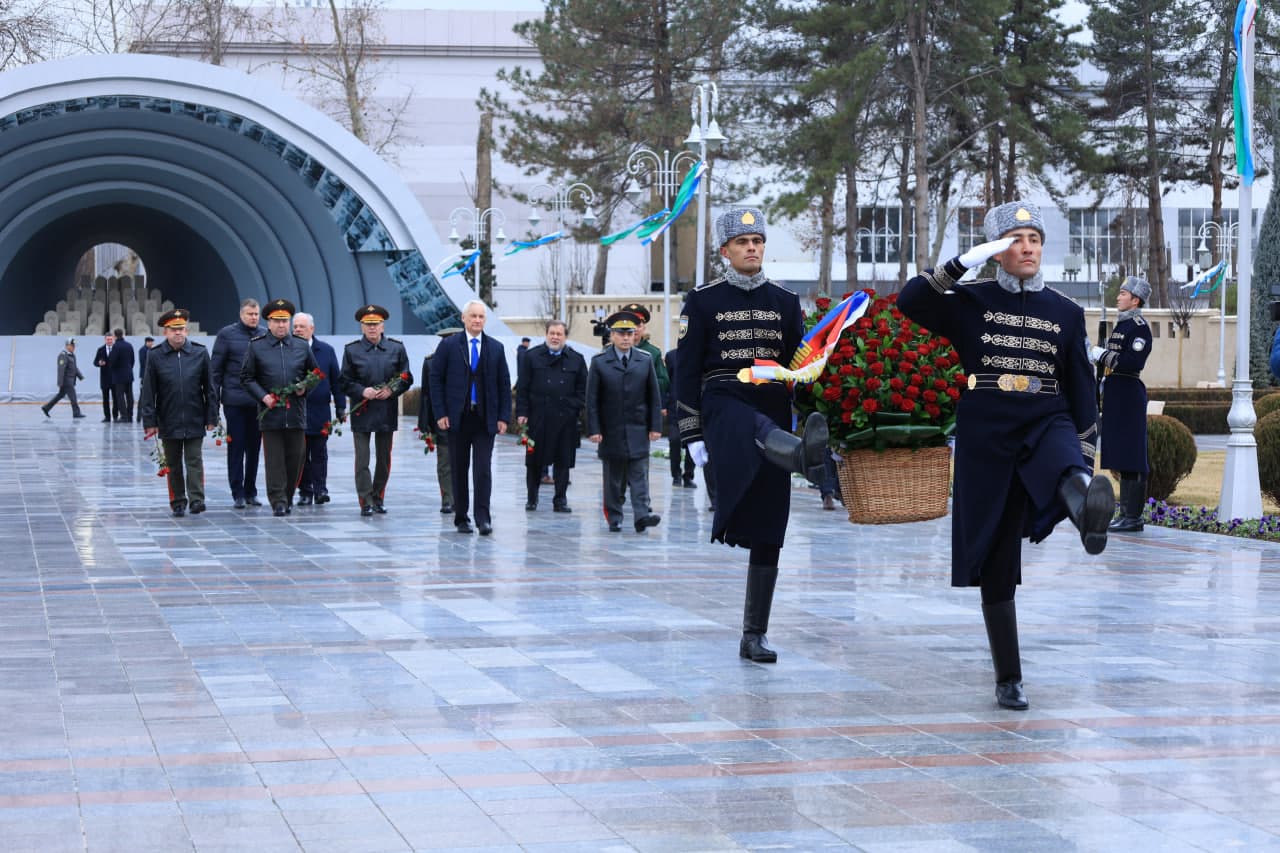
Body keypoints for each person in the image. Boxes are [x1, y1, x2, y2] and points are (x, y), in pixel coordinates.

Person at [898, 200, 1115, 711]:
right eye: (1016, 240)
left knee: (1064, 462)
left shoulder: (1064, 310)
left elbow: (1081, 386)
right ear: (998, 251)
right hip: (988, 426)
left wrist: (1087, 454)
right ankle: (1008, 677)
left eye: (1034, 239)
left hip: (1046, 412)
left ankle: (1087, 510)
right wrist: (961, 264)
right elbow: (910, 302)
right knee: (996, 555)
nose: (1028, 248)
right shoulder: (969, 299)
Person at [676, 207, 828, 664]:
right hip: (724, 401)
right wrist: (691, 431)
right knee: (750, 424)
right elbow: (685, 371)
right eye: (742, 243)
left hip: (773, 404)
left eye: (758, 241)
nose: (752, 248)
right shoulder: (702, 302)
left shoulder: (784, 301)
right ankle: (802, 456)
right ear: (725, 251)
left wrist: (816, 401)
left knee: (770, 529)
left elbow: (799, 366)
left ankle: (753, 634)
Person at [428, 299, 510, 535]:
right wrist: (441, 413)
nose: (477, 320)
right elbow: (436, 380)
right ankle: (461, 517)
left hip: (485, 419)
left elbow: (504, 384)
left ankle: (483, 518)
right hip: (458, 418)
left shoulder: (496, 348)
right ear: (463, 318)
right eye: (473, 316)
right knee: (459, 468)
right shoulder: (449, 346)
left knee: (483, 469)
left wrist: (504, 416)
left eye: (481, 316)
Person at [587, 311, 663, 533]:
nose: (626, 338)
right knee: (613, 479)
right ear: (612, 335)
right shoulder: (600, 362)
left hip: (638, 429)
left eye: (629, 333)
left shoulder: (644, 360)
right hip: (610, 431)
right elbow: (592, 400)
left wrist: (655, 426)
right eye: (621, 333)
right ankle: (615, 517)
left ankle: (642, 515)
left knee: (639, 477)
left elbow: (653, 397)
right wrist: (594, 429)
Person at [241, 299, 318, 517]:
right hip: (271, 414)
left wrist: (305, 387)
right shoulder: (257, 346)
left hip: (296, 413)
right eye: (277, 321)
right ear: (269, 322)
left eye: (285, 321)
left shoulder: (302, 346)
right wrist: (263, 396)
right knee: (275, 460)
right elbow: (246, 378)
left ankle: (288, 495)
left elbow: (315, 374)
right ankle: (278, 501)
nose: (282, 325)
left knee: (295, 458)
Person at [140, 310, 217, 517]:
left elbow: (209, 387)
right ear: (165, 332)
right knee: (173, 463)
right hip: (168, 418)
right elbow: (148, 391)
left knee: (194, 460)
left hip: (194, 416)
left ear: (187, 330)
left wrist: (212, 417)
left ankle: (197, 500)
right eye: (174, 330)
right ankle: (178, 501)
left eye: (181, 329)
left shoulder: (200, 353)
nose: (178, 334)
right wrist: (150, 421)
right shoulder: (155, 355)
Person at [1092, 277, 1154, 532]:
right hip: (1118, 392)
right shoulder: (1122, 325)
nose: (1118, 297)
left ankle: (1134, 516)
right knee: (1123, 456)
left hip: (1128, 393)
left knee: (1133, 456)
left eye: (1123, 293)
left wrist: (1102, 354)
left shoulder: (1139, 327)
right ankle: (1126, 512)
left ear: (1135, 300)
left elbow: (1131, 362)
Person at [339, 304, 412, 517]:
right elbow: (344, 381)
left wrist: (392, 389)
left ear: (383, 326)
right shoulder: (351, 350)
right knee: (362, 459)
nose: (372, 328)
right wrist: (363, 391)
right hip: (363, 410)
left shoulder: (396, 348)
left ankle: (378, 496)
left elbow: (406, 377)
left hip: (385, 410)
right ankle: (365, 500)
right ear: (362, 327)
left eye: (376, 324)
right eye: (367, 325)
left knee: (383, 458)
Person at [516, 320, 588, 512]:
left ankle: (560, 499)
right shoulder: (531, 357)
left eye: (559, 334)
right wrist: (522, 413)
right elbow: (522, 388)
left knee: (563, 461)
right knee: (533, 461)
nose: (555, 337)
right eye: (552, 333)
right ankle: (532, 498)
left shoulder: (576, 359)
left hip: (565, 419)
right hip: (538, 417)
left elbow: (583, 391)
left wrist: (572, 408)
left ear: (565, 336)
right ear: (546, 335)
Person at [211, 299, 266, 508]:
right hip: (234, 401)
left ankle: (251, 491)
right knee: (236, 447)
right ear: (241, 314)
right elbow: (215, 371)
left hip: (258, 402)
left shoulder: (263, 334)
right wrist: (214, 403)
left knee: (254, 448)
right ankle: (238, 492)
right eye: (250, 314)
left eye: (256, 314)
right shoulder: (227, 335)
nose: (254, 317)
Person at [292, 312, 345, 506]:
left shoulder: (326, 350)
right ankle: (305, 491)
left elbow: (336, 381)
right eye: (295, 326)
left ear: (312, 329)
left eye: (302, 326)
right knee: (301, 454)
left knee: (320, 452)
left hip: (320, 411)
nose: (297, 329)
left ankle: (320, 489)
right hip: (297, 410)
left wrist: (341, 406)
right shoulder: (288, 349)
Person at [418, 328, 463, 515]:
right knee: (445, 462)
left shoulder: (467, 359)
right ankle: (447, 499)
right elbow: (426, 395)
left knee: (461, 462)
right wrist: (424, 424)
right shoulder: (431, 362)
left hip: (464, 417)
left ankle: (460, 498)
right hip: (441, 418)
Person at [664, 347, 696, 487]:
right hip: (674, 406)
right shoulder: (671, 356)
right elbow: (666, 381)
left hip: (693, 406)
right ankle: (675, 475)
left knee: (692, 442)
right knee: (674, 441)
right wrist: (664, 404)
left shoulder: (698, 353)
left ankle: (688, 476)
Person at [42, 338, 86, 418]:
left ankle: (46, 408)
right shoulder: (63, 355)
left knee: (60, 395)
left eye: (74, 346)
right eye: (72, 345)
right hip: (66, 381)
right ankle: (76, 413)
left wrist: (80, 376)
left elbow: (75, 368)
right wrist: (60, 382)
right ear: (67, 346)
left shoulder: (72, 355)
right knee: (73, 397)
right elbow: (61, 369)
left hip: (71, 380)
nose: (73, 347)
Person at [109, 327, 135, 422]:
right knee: (129, 395)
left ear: (115, 336)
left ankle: (124, 416)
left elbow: (112, 361)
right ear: (123, 334)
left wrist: (112, 368)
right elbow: (132, 360)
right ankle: (130, 415)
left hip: (119, 375)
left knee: (120, 396)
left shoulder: (116, 346)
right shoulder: (129, 345)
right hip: (129, 373)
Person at [93, 332, 117, 423]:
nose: (109, 341)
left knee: (116, 399)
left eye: (111, 339)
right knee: (105, 399)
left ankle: (115, 416)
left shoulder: (116, 349)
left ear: (113, 339)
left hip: (115, 378)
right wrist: (99, 363)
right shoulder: (100, 349)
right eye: (108, 339)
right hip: (104, 379)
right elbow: (95, 362)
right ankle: (107, 417)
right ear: (105, 340)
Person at [136, 336, 155, 422]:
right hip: (145, 376)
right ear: (147, 342)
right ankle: (139, 416)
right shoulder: (142, 350)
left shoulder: (152, 350)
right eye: (150, 342)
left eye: (152, 342)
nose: (152, 344)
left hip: (152, 375)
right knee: (142, 396)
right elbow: (144, 363)